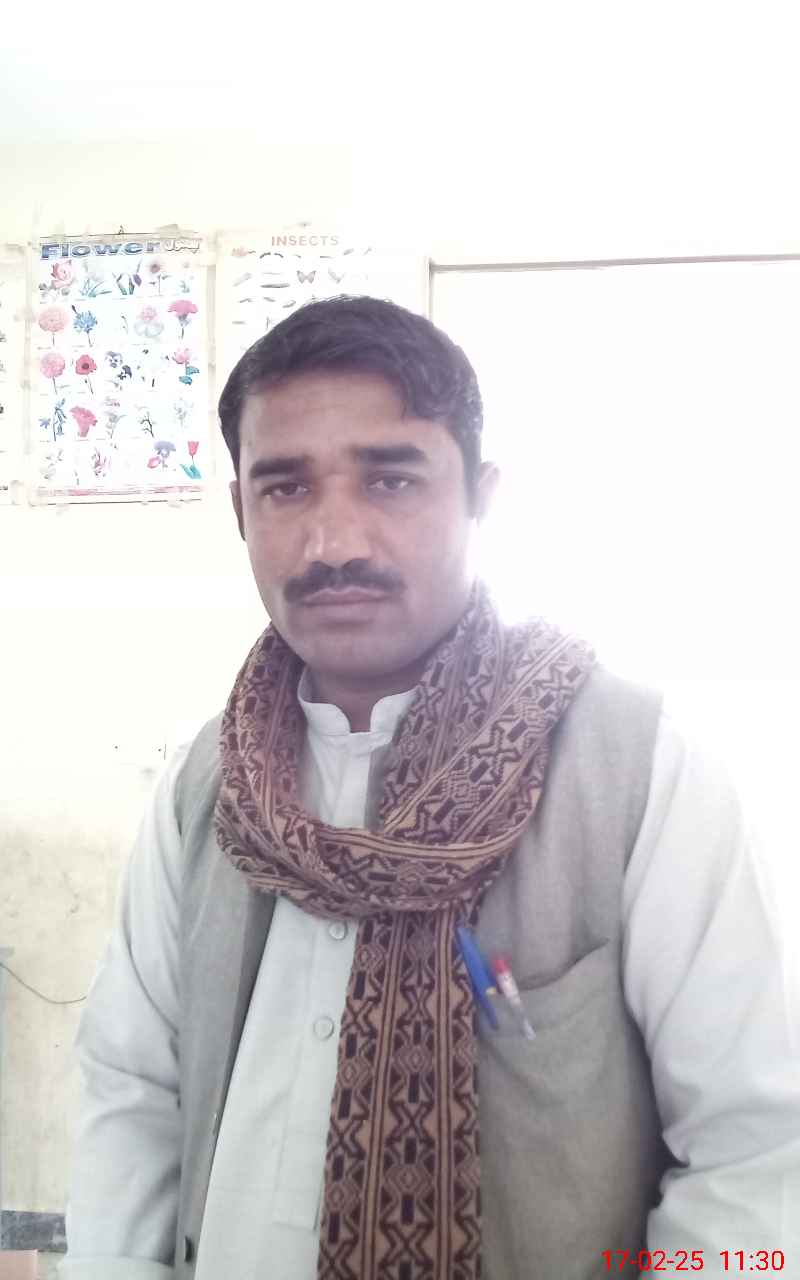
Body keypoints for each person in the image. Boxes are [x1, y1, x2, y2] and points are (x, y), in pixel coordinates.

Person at [61, 297, 798, 1280]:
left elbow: (756, 1145)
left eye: (391, 478)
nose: (333, 541)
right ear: (240, 510)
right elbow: (132, 1094)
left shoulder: (634, 768)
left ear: (479, 496)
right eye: (285, 487)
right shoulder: (206, 787)